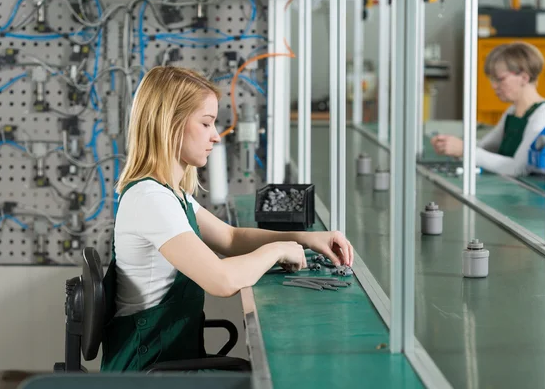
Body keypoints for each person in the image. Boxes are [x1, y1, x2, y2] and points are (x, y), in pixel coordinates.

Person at [100, 66, 354, 372]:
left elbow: (231, 238)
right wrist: (277, 250)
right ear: (170, 124)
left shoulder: (170, 195)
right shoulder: (151, 200)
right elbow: (222, 281)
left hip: (166, 364)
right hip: (147, 372)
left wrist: (305, 239)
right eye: (206, 123)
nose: (216, 137)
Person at [430, 41, 545, 177]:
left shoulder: (542, 115)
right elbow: (484, 147)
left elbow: (519, 168)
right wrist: (452, 145)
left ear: (524, 78)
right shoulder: (512, 111)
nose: (494, 86)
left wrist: (465, 150)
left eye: (500, 79)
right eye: (492, 80)